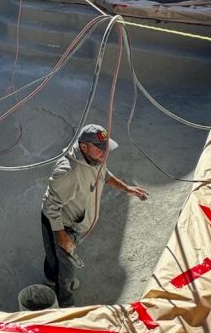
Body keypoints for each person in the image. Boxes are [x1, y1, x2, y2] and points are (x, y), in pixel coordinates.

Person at [40, 124, 148, 307]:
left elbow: (103, 174)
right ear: (83, 147)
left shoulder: (95, 159)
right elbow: (50, 206)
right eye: (100, 149)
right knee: (66, 272)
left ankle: (51, 277)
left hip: (74, 221)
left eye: (106, 149)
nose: (105, 154)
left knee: (54, 258)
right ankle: (65, 306)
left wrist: (126, 188)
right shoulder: (67, 172)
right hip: (60, 224)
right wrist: (61, 235)